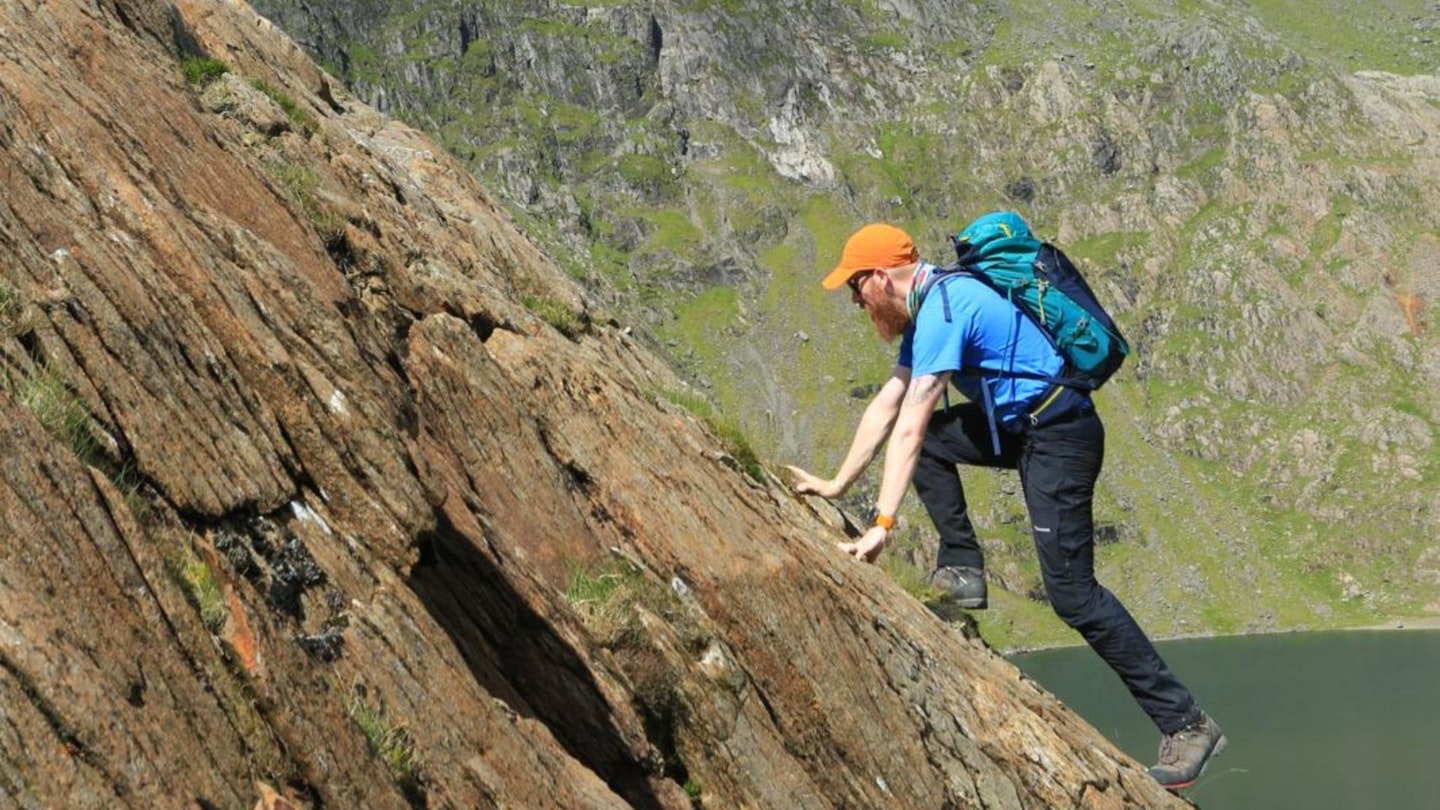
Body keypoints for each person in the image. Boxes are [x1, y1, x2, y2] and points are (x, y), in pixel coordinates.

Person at [785, 220, 1226, 789]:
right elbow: (887, 405)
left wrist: (882, 525)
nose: (853, 299)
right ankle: (963, 568)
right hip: (1022, 427)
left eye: (854, 286)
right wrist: (837, 484)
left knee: (1072, 592)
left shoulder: (948, 307)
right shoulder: (931, 306)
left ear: (878, 278)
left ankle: (1187, 723)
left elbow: (911, 425)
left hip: (1059, 434)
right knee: (939, 441)